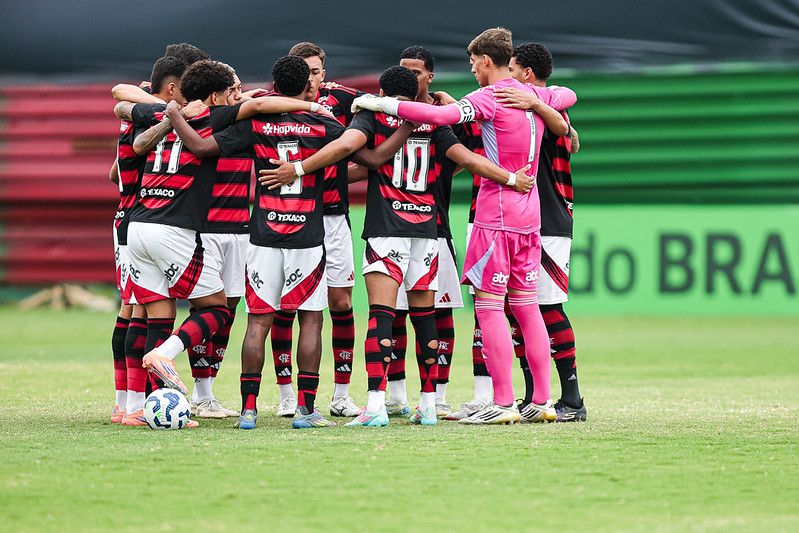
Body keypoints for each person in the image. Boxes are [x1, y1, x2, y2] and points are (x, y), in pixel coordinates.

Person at [259, 65, 535, 427]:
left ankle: (375, 405)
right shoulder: (435, 123)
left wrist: (297, 169)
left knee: (382, 317)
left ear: (383, 92)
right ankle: (428, 405)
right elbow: (467, 158)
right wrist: (512, 178)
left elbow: (346, 147)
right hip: (426, 231)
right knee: (426, 321)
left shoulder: (373, 116)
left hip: (387, 229)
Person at [351, 27, 576, 424]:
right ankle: (541, 401)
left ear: (486, 60)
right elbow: (568, 95)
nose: (472, 70)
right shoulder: (538, 94)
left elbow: (438, 117)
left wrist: (376, 102)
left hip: (496, 215)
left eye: (473, 62)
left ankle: (501, 403)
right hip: (531, 217)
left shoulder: (488, 97)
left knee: (489, 307)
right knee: (527, 308)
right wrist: (535, 103)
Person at [117, 60, 332, 421]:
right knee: (216, 309)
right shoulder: (212, 117)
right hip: (172, 227)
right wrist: (312, 105)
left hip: (136, 226)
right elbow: (260, 105)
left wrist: (168, 112)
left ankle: (146, 408)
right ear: (215, 95)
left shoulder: (164, 115)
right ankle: (167, 354)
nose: (238, 96)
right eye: (232, 91)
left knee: (160, 315)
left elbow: (123, 108)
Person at [267, 42, 365, 418]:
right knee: (286, 307)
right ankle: (287, 394)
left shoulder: (346, 101)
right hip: (290, 216)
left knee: (340, 303)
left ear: (324, 71)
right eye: (304, 71)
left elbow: (369, 138)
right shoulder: (269, 103)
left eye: (316, 71)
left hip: (334, 216)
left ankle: (341, 394)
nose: (311, 77)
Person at [499, 42, 585, 421]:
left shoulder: (546, 113)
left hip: (549, 221)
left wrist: (538, 106)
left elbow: (561, 120)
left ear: (527, 75)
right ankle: (536, 395)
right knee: (517, 309)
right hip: (533, 220)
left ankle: (572, 400)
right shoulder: (544, 109)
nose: (508, 78)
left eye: (513, 70)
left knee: (547, 306)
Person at [109, 55, 190, 425]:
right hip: (137, 222)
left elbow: (115, 173)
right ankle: (134, 406)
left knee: (131, 313)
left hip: (126, 219)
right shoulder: (155, 115)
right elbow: (118, 94)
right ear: (173, 88)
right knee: (139, 314)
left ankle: (125, 404)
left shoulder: (139, 113)